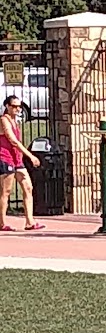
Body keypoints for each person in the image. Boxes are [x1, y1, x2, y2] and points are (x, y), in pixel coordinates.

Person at [0, 95, 45, 231]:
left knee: (28, 187)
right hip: (5, 157)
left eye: (19, 106)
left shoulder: (16, 121)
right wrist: (31, 156)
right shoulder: (4, 120)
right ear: (7, 106)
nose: (17, 109)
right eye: (14, 106)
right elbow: (13, 140)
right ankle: (2, 223)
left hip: (17, 159)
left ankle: (30, 222)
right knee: (6, 191)